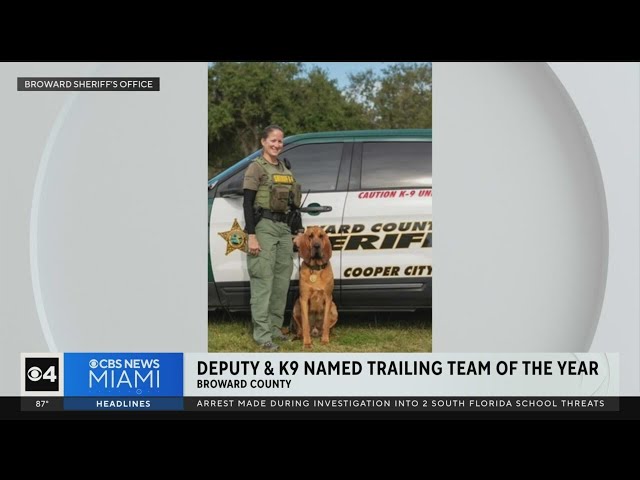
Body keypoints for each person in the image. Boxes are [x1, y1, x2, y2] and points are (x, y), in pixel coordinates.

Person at [243, 125, 304, 351]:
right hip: (264, 228)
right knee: (263, 281)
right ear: (263, 142)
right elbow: (247, 204)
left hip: (284, 229)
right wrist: (251, 235)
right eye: (273, 141)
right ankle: (262, 335)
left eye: (280, 141)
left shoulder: (286, 170)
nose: (277, 145)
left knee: (281, 282)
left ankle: (276, 328)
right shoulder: (256, 168)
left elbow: (293, 206)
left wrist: (298, 231)